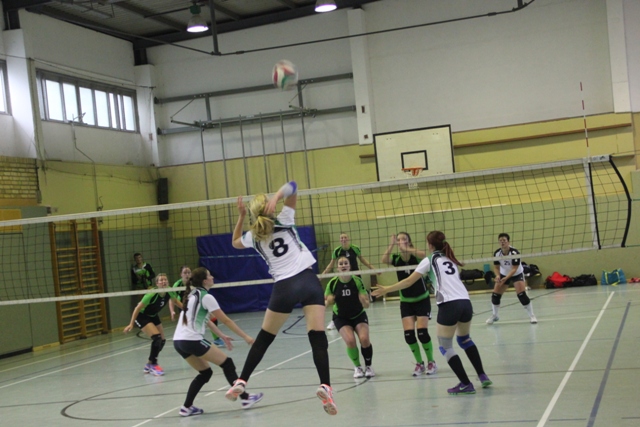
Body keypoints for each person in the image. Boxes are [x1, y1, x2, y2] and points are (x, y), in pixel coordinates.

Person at [227, 181, 337, 416]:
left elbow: (234, 243)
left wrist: (241, 216)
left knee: (265, 338)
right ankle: (325, 385)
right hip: (307, 281)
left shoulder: (253, 236)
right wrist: (277, 196)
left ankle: (242, 380)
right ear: (269, 206)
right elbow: (293, 186)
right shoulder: (285, 219)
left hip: (283, 288)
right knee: (317, 336)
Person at [373, 231, 492, 395]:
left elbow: (409, 281)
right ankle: (482, 375)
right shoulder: (450, 259)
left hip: (449, 305)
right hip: (466, 303)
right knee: (464, 340)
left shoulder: (428, 260)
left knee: (445, 347)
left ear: (430, 245)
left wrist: (387, 289)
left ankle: (466, 384)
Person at [173, 267, 263, 417]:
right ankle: (245, 398)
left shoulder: (191, 295)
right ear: (204, 281)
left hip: (178, 342)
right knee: (227, 363)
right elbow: (226, 320)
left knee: (205, 373)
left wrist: (221, 335)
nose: (213, 277)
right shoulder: (206, 297)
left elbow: (206, 320)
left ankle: (186, 407)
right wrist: (245, 337)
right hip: (192, 340)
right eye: (210, 275)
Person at [381, 232, 437, 377]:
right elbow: (384, 259)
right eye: (399, 240)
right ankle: (419, 363)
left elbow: (423, 254)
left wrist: (407, 248)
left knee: (422, 333)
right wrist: (391, 245)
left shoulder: (415, 257)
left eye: (404, 239)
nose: (401, 241)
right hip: (406, 301)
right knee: (409, 335)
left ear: (409, 241)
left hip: (422, 299)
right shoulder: (396, 259)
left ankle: (431, 361)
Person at [325, 256, 375, 379]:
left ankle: (368, 366)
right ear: (337, 267)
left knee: (364, 339)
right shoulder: (333, 283)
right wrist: (329, 301)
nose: (343, 265)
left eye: (345, 263)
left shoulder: (357, 281)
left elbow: (367, 305)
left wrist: (364, 301)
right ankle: (357, 367)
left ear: (350, 266)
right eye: (340, 264)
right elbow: (326, 302)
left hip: (358, 314)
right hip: (341, 317)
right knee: (350, 341)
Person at [123, 273, 182, 376]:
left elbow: (176, 301)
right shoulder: (151, 294)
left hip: (153, 315)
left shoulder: (169, 291)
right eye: (161, 280)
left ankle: (149, 364)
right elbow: (137, 308)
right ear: (157, 283)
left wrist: (188, 310)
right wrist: (131, 324)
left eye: (165, 280)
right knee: (157, 338)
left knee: (162, 341)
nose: (164, 282)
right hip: (142, 316)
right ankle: (154, 364)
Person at [323, 232, 378, 330]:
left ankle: (360, 318)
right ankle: (334, 320)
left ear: (348, 239)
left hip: (355, 276)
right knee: (338, 298)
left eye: (345, 237)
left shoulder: (355, 248)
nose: (343, 239)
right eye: (341, 238)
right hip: (342, 277)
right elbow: (331, 264)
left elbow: (363, 260)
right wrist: (322, 275)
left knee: (357, 298)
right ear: (340, 240)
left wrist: (374, 269)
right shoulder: (337, 251)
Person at [486, 233, 537, 325]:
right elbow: (496, 267)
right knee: (495, 295)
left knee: (521, 295)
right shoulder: (497, 253)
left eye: (504, 241)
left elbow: (514, 268)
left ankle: (532, 316)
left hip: (516, 273)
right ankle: (495, 315)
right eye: (500, 241)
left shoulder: (514, 253)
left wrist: (506, 278)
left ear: (508, 242)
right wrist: (497, 276)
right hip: (503, 274)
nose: (502, 242)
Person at [170, 265, 225, 347]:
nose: (187, 274)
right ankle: (191, 340)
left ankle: (216, 339)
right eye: (185, 273)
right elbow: (172, 299)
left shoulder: (194, 283)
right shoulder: (177, 285)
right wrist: (172, 311)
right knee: (190, 324)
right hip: (183, 306)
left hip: (195, 306)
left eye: (189, 272)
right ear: (181, 274)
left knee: (212, 319)